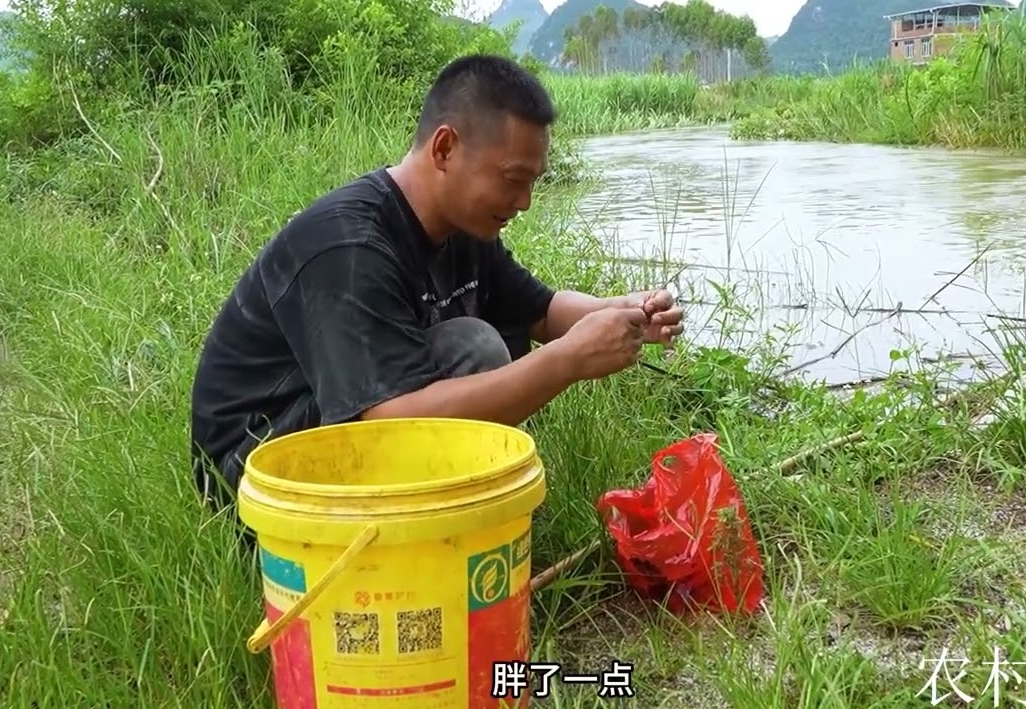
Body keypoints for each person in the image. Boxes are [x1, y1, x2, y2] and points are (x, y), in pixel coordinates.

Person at [189, 53, 684, 516]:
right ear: (445, 148)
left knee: (492, 339)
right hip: (254, 473)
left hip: (337, 431)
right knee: (475, 347)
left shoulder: (465, 226)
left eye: (534, 182)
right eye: (513, 179)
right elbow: (389, 420)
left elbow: (540, 311)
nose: (526, 201)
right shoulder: (351, 246)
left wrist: (623, 312)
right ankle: (418, 530)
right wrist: (568, 360)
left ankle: (441, 520)